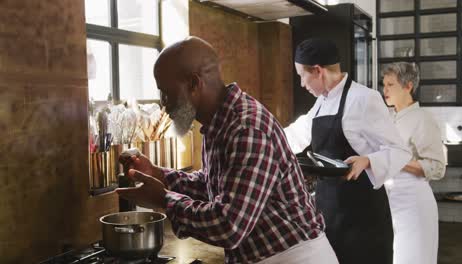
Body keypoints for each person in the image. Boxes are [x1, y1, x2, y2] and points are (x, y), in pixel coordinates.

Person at [116, 36, 339, 264]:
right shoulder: (218, 122)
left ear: (194, 84)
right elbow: (212, 185)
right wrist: (157, 174)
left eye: (166, 92)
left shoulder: (247, 128)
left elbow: (230, 226)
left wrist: (164, 199)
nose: (163, 103)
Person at [284, 38, 413, 264]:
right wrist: (263, 138)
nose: (302, 84)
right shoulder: (322, 102)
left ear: (318, 71)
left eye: (301, 76)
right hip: (329, 210)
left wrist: (368, 160)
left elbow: (399, 150)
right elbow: (298, 133)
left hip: (362, 215)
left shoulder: (364, 99)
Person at [382, 62, 445, 264]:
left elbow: (436, 167)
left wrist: (396, 160)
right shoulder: (388, 117)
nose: (385, 90)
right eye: (384, 85)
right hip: (390, 201)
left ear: (408, 86)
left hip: (414, 203)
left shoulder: (422, 118)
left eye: (391, 85)